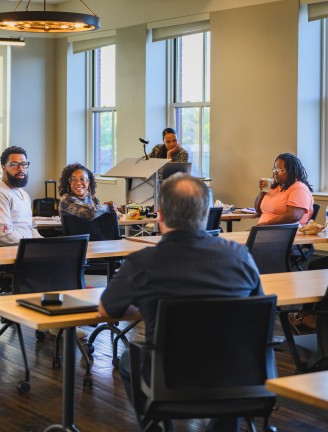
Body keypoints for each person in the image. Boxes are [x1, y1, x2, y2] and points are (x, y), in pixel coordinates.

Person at [99, 173, 262, 432]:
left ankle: (156, 425)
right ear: (206, 213)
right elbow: (256, 309)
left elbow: (107, 310)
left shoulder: (142, 263)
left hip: (169, 379)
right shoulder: (240, 256)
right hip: (237, 377)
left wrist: (145, 305)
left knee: (130, 359)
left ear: (160, 215)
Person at [0, 146, 42, 246]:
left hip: (27, 249)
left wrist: (43, 244)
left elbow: (31, 228)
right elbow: (4, 234)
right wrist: (31, 245)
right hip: (10, 252)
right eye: (14, 164)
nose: (21, 168)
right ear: (4, 168)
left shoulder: (24, 194)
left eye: (24, 164)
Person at [254, 152, 314, 226]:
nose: (276, 173)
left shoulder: (299, 188)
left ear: (291, 171)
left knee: (239, 237)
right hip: (264, 230)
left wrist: (267, 224)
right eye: (275, 169)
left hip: (285, 233)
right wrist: (263, 191)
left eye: (281, 170)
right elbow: (258, 210)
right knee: (236, 237)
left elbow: (294, 216)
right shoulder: (274, 186)